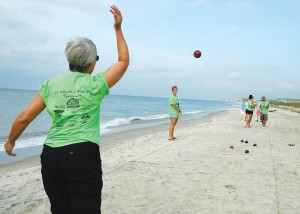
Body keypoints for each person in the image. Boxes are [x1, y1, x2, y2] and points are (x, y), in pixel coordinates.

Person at [4, 5, 129, 214]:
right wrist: (118, 28)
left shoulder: (50, 85)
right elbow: (123, 61)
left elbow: (23, 118)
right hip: (82, 154)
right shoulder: (96, 84)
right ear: (91, 63)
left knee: (60, 209)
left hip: (51, 156)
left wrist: (10, 142)